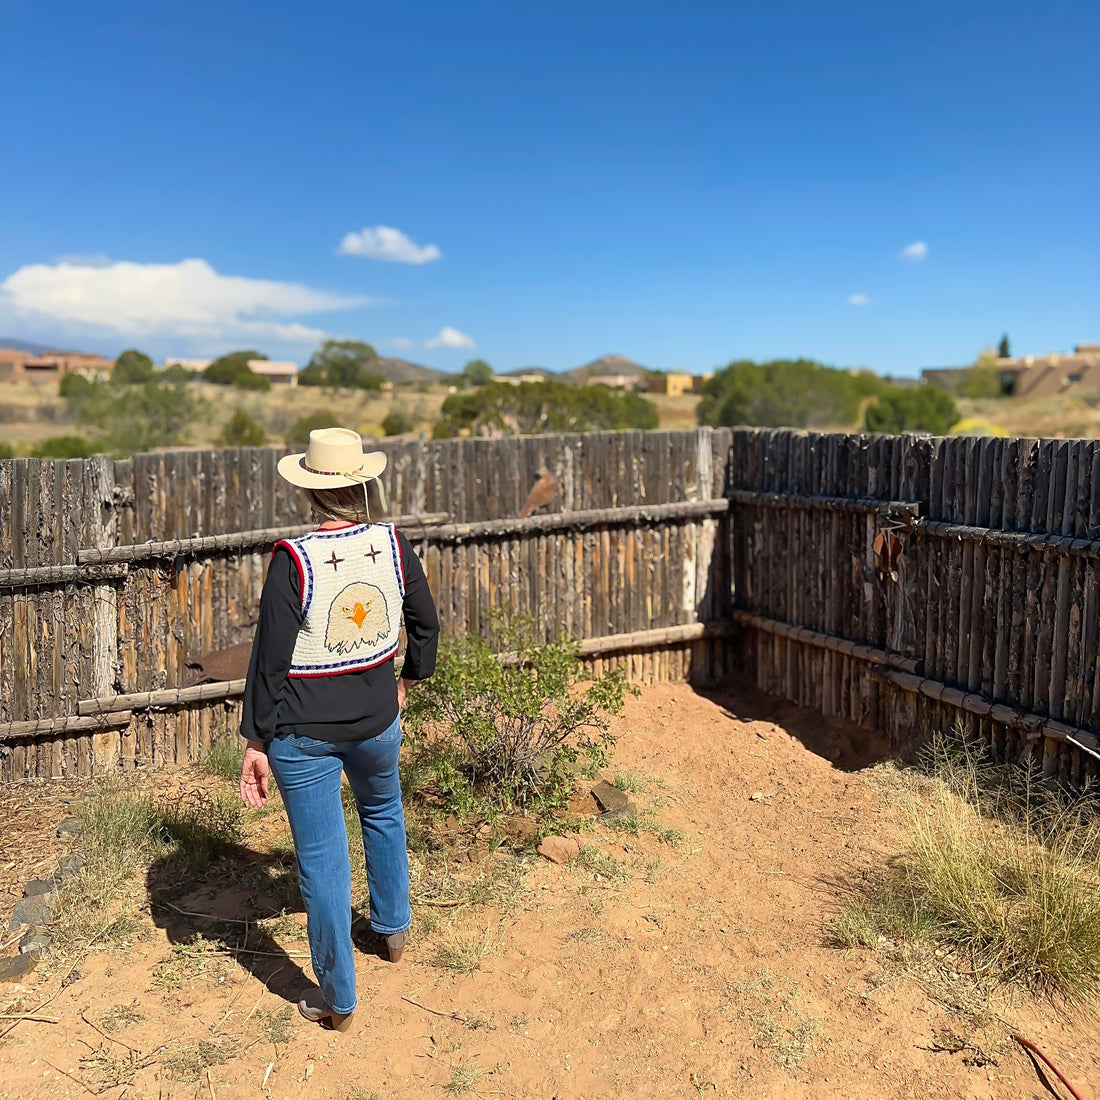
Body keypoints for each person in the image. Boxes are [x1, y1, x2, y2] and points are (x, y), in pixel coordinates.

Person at [238, 427, 440, 1032]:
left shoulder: (293, 560)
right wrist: (407, 680)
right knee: (384, 814)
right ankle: (392, 931)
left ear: (310, 490)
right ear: (362, 484)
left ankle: (338, 999)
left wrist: (256, 740)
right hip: (379, 721)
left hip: (303, 735)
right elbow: (426, 623)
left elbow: (270, 659)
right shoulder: (393, 544)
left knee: (323, 861)